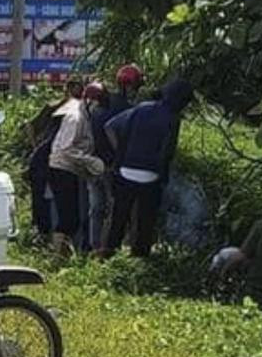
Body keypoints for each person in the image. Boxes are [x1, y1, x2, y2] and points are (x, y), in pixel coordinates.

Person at [99, 79, 194, 258]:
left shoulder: (142, 108)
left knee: (118, 217)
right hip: (151, 175)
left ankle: (108, 253)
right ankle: (139, 258)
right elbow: (168, 150)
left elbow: (116, 130)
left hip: (126, 170)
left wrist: (120, 159)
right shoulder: (173, 118)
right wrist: (162, 174)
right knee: (145, 222)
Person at [25, 80, 85, 244]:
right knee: (55, 204)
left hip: (45, 159)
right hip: (48, 162)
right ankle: (51, 243)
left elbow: (30, 126)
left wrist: (35, 146)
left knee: (49, 201)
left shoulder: (59, 109)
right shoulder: (72, 111)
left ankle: (47, 240)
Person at [47, 88, 105, 256]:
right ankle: (59, 257)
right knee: (68, 218)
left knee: (71, 217)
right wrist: (91, 161)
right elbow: (66, 149)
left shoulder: (83, 114)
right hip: (62, 168)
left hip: (69, 168)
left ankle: (63, 255)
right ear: (89, 101)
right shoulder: (76, 118)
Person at [82, 81, 114, 251]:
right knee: (110, 208)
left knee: (96, 209)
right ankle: (104, 246)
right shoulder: (108, 115)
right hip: (108, 166)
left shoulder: (88, 118)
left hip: (93, 167)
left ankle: (95, 245)